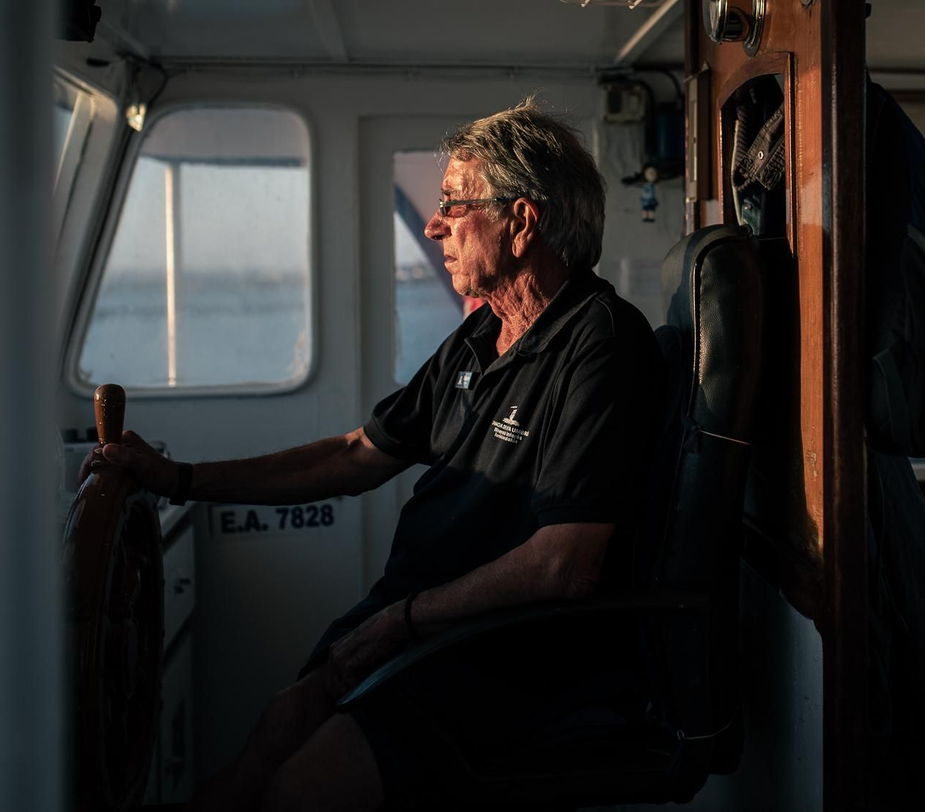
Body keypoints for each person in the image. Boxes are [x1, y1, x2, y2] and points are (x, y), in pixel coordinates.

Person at [85, 98, 664, 812]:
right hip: (420, 626)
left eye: (454, 204)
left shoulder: (602, 343)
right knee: (274, 734)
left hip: (507, 654)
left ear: (521, 223)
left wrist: (402, 621)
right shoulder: (481, 336)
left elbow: (565, 563)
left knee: (299, 790)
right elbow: (360, 453)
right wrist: (179, 480)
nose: (433, 225)